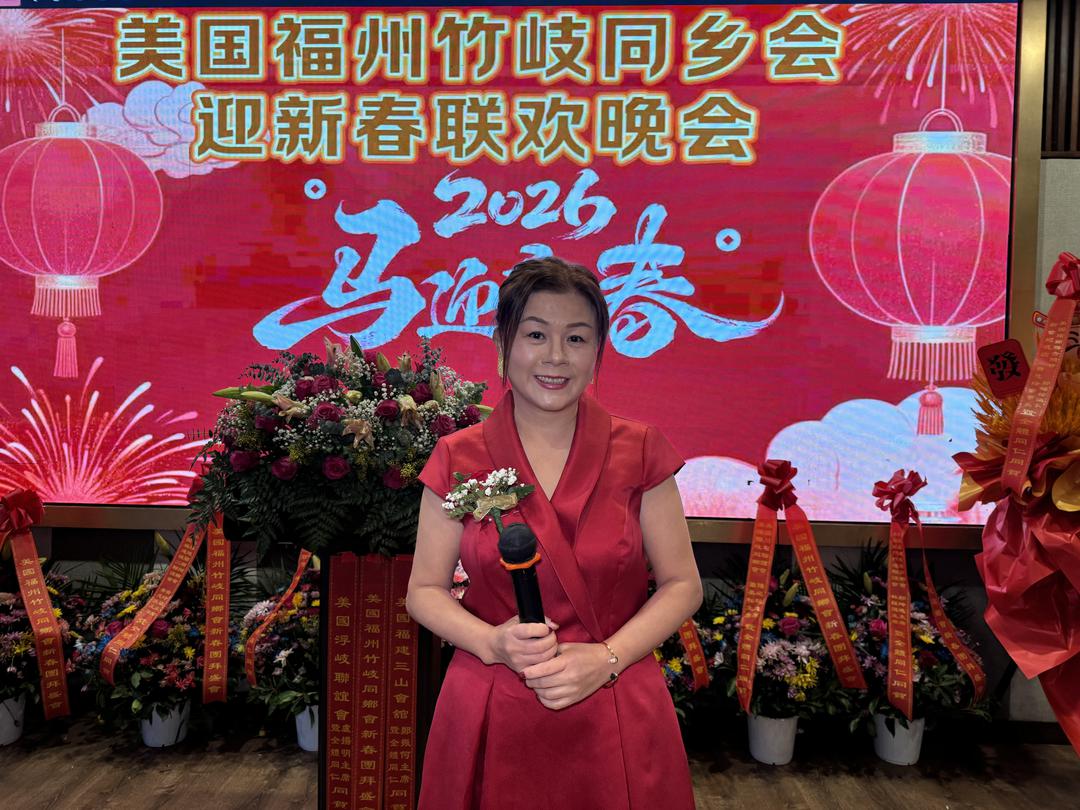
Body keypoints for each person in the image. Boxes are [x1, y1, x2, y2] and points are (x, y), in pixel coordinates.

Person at [406, 257, 702, 809]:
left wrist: (606, 658)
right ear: (502, 343)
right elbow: (424, 590)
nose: (556, 357)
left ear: (598, 351)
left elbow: (683, 584)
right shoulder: (457, 455)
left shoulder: (640, 449)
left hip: (616, 696)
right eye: (536, 335)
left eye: (577, 338)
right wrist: (491, 643)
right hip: (492, 696)